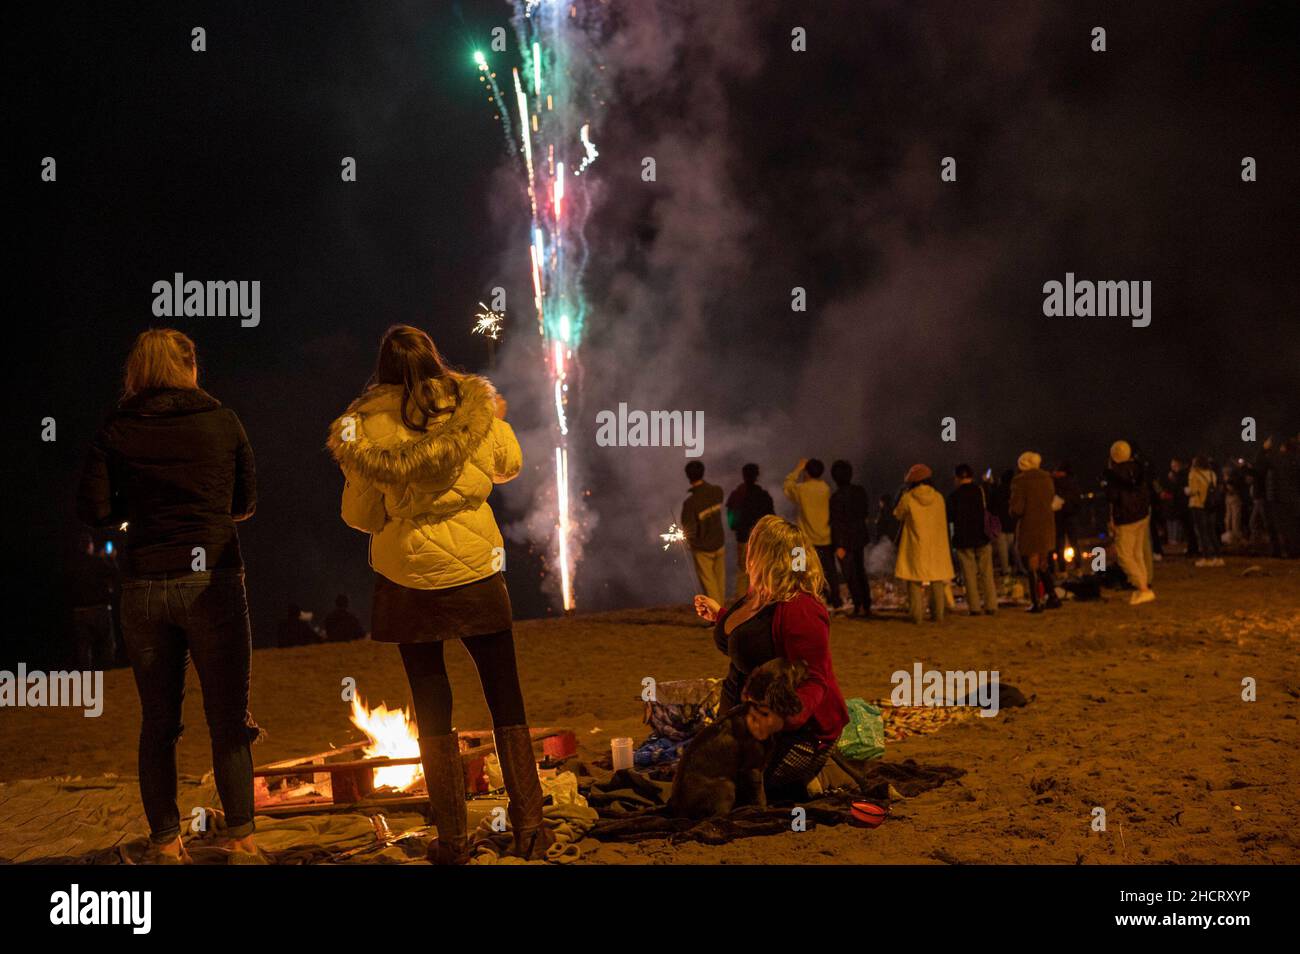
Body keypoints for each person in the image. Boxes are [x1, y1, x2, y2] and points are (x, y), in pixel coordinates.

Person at [327, 324, 550, 863]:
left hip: (408, 581)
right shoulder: (472, 408)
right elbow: (509, 466)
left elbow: (360, 514)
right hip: (478, 569)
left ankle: (453, 837)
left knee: (432, 703)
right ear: (433, 359)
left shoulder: (364, 430)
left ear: (383, 369)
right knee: (505, 694)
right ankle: (531, 827)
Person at [76, 328, 262, 864]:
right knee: (227, 717)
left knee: (159, 721)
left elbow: (92, 509)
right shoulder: (223, 422)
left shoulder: (116, 428)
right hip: (213, 583)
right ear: (190, 367)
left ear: (138, 369)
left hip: (144, 583)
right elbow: (245, 502)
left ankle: (165, 841)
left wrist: (134, 515)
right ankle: (243, 838)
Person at [693, 515, 849, 801]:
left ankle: (821, 773)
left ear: (766, 554)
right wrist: (720, 615)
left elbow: (815, 679)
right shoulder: (756, 596)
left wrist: (779, 719)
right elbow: (749, 643)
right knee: (705, 780)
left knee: (743, 792)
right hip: (748, 725)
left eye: (754, 544)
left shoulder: (800, 609)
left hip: (797, 735)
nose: (747, 552)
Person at [892, 464, 954, 623]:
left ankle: (917, 616)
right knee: (937, 580)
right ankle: (938, 615)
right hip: (937, 545)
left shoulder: (908, 497)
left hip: (915, 544)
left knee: (913, 580)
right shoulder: (939, 497)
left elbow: (897, 514)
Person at [1102, 440, 1156, 605]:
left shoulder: (1114, 474)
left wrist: (1112, 518)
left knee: (1125, 555)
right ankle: (1143, 585)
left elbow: (1112, 498)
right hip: (1142, 515)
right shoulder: (1139, 470)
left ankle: (1143, 588)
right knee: (1137, 553)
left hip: (1126, 518)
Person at [784, 458, 842, 611]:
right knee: (829, 572)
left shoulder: (801, 489)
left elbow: (787, 486)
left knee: (798, 570)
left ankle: (799, 601)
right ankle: (835, 602)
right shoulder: (826, 489)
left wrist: (797, 468)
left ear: (807, 472)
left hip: (803, 538)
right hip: (825, 537)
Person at [1010, 451, 1061, 613]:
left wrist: (1011, 509)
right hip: (1047, 524)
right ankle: (1052, 596)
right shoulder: (1047, 478)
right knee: (1043, 563)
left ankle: (1036, 602)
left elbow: (1017, 508)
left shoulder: (1020, 481)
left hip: (1029, 525)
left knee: (1031, 564)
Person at [947, 464, 997, 616]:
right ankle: (991, 606)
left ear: (956, 478)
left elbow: (950, 517)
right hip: (982, 536)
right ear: (971, 476)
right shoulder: (980, 491)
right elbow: (990, 507)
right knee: (987, 573)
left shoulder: (953, 496)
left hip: (963, 539)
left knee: (969, 575)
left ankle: (974, 607)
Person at [66, 531, 118, 670]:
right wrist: (110, 559)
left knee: (84, 647)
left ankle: (86, 675)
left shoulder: (71, 565)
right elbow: (114, 574)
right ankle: (108, 674)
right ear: (90, 545)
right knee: (107, 644)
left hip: (79, 611)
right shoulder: (97, 561)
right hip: (99, 609)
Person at [829, 460, 872, 617]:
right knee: (861, 572)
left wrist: (838, 545)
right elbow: (865, 512)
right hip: (859, 538)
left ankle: (858, 605)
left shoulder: (836, 497)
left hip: (844, 542)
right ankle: (866, 605)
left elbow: (837, 523)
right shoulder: (860, 491)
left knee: (851, 575)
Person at [724, 463, 774, 598]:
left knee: (743, 571)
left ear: (743, 475)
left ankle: (741, 602)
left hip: (743, 538)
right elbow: (771, 517)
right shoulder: (763, 495)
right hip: (761, 539)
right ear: (757, 475)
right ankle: (761, 599)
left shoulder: (737, 494)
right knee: (761, 570)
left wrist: (736, 527)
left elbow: (731, 517)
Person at [681, 461, 727, 606]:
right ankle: (723, 615)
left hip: (703, 549)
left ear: (688, 476)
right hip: (719, 544)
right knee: (720, 583)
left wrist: (691, 543)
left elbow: (689, 530)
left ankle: (717, 619)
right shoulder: (717, 491)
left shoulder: (690, 503)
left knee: (709, 585)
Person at [1187, 456, 1224, 566]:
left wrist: (1187, 491)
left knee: (1201, 533)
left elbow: (1193, 490)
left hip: (1198, 505)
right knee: (1211, 531)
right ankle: (1218, 557)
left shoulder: (1194, 474)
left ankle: (1206, 557)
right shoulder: (1212, 474)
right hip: (1210, 505)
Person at [1051, 461, 1083, 573]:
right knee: (1074, 543)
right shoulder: (1073, 483)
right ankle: (1078, 567)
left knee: (1059, 544)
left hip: (1058, 517)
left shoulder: (1054, 483)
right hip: (1071, 516)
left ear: (1061, 472)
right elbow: (1078, 501)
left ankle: (1062, 570)